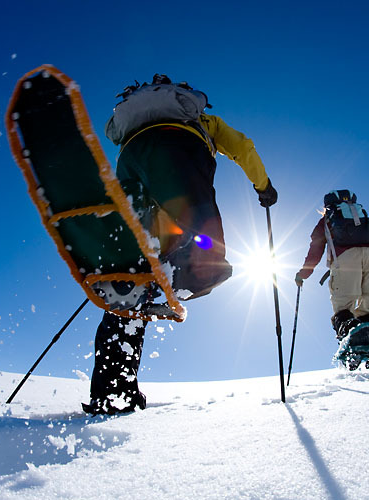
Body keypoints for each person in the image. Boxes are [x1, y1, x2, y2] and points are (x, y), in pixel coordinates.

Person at [85, 74, 277, 415]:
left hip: (130, 161)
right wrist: (263, 186)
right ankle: (185, 273)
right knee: (205, 243)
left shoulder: (133, 120)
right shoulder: (201, 118)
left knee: (131, 280)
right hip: (179, 149)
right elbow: (243, 147)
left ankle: (113, 392)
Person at [294, 190, 369, 342]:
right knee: (367, 307)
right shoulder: (361, 217)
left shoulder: (327, 220)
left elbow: (315, 250)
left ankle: (350, 339)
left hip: (345, 259)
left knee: (343, 306)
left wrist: (303, 274)